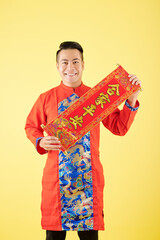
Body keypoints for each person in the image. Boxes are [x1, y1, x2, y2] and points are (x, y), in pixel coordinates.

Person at [25, 41, 141, 240]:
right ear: (57, 66)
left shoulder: (97, 97)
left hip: (89, 183)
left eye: (75, 61)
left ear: (83, 64)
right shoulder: (46, 98)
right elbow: (31, 126)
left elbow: (119, 128)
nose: (70, 67)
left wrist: (131, 100)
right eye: (65, 62)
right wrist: (39, 141)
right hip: (57, 182)